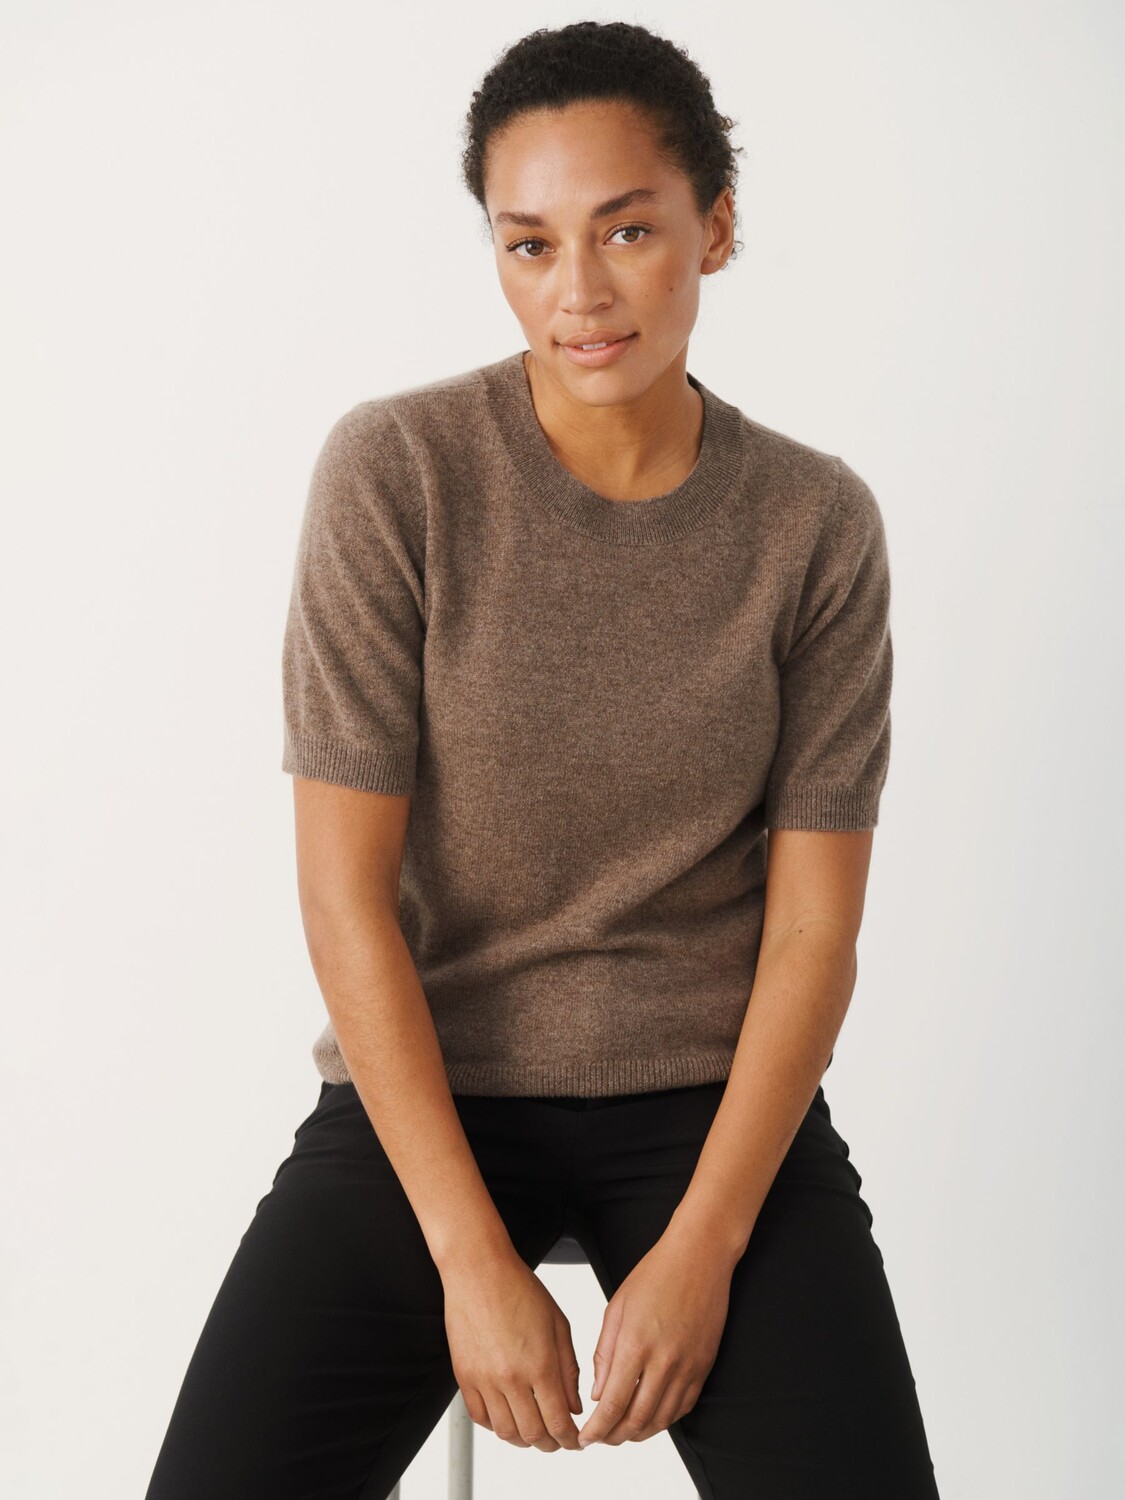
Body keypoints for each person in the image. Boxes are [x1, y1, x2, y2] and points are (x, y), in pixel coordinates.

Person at [144, 19, 941, 1500]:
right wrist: (468, 1260)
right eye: (528, 244)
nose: (578, 291)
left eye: (626, 230)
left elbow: (813, 931)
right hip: (429, 1099)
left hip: (708, 1106)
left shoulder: (813, 524)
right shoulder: (398, 473)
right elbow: (344, 901)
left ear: (714, 227)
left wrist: (703, 1250)